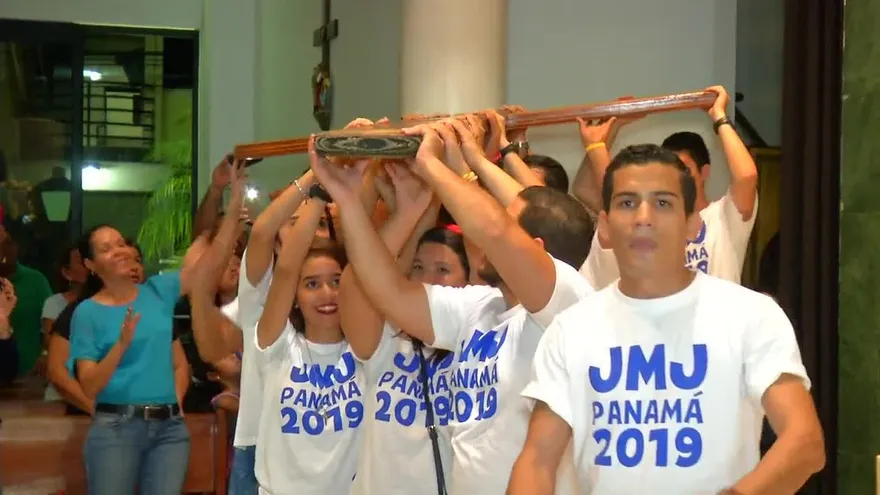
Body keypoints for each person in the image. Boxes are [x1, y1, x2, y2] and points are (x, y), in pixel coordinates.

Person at [509, 144, 824, 494]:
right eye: (627, 203)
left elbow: (804, 442)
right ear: (606, 227)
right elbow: (537, 460)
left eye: (662, 203)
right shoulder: (571, 329)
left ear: (692, 224)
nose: (643, 217)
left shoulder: (750, 314)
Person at [313, 117, 595, 495]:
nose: (479, 235)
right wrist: (348, 200)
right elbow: (385, 288)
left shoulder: (568, 304)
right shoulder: (480, 306)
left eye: (505, 220)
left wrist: (437, 164)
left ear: (535, 251)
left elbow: (494, 229)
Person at [342, 165, 469, 495]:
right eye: (418, 267)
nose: (426, 279)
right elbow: (356, 282)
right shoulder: (387, 334)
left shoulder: (476, 341)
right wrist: (408, 212)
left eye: (442, 270)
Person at [253, 140, 363, 493]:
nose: (328, 294)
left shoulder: (368, 350)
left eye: (336, 281)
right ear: (295, 298)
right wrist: (319, 187)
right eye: (312, 284)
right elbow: (286, 268)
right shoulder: (277, 344)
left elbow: (369, 257)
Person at [573, 86, 759, 288]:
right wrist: (608, 132)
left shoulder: (722, 217)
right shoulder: (651, 216)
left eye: (685, 169)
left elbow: (746, 176)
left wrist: (719, 116)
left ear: (704, 172)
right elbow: (584, 189)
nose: (676, 178)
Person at [68, 224, 200, 494]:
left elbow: (206, 269)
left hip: (169, 429)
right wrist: (120, 345)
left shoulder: (158, 292)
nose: (119, 251)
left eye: (121, 244)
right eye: (106, 249)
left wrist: (228, 221)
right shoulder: (87, 312)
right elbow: (89, 385)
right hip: (116, 427)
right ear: (90, 264)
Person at [47, 243, 144, 415]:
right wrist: (97, 409)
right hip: (92, 417)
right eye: (124, 261)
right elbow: (57, 370)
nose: (133, 267)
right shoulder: (82, 310)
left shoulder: (156, 309)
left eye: (137, 260)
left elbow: (178, 365)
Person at [0, 221, 52, 376]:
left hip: (29, 378)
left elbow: (51, 328)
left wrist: (46, 354)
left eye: (6, 242)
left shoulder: (36, 281)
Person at [42, 244, 88, 401]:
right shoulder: (54, 303)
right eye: (81, 262)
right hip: (61, 392)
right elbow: (50, 344)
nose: (87, 265)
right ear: (67, 273)